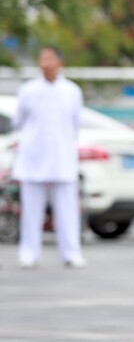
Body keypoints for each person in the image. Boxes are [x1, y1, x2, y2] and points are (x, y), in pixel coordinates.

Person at [13, 47, 85, 269]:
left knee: (67, 209)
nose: (45, 62)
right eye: (42, 58)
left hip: (62, 157)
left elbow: (75, 123)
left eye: (50, 58)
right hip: (33, 156)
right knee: (31, 210)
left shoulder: (72, 91)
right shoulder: (28, 90)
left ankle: (71, 252)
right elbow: (19, 120)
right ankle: (29, 252)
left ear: (60, 62)